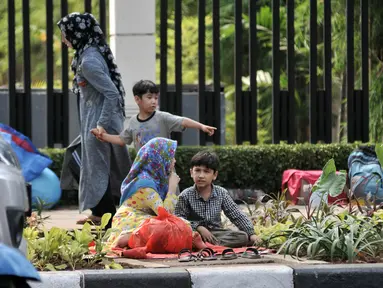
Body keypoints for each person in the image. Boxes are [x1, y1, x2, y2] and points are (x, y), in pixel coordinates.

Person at [57, 12, 131, 226]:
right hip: (95, 120)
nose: (63, 39)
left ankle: (106, 217)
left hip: (99, 124)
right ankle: (101, 213)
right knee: (86, 162)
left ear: (77, 33)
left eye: (65, 34)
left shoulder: (88, 60)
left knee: (90, 165)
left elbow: (112, 93)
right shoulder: (87, 52)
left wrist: (101, 125)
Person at [91, 80, 217, 152]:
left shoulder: (162, 117)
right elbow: (122, 139)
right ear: (137, 99)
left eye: (156, 98)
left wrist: (201, 126)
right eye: (149, 97)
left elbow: (183, 121)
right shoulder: (133, 122)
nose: (154, 101)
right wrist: (103, 136)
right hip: (143, 172)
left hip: (164, 169)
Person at [105, 137, 182, 249]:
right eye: (170, 157)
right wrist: (172, 189)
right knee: (167, 228)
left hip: (144, 219)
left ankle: (131, 240)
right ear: (159, 159)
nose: (174, 161)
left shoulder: (156, 179)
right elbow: (165, 214)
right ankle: (127, 238)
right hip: (129, 223)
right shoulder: (146, 184)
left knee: (179, 225)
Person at [175, 150, 260, 248]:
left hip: (216, 234)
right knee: (183, 236)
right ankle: (201, 244)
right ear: (191, 172)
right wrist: (198, 227)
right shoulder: (185, 195)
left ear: (214, 175)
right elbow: (179, 219)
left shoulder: (221, 193)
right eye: (197, 170)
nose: (201, 175)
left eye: (206, 171)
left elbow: (236, 214)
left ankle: (207, 245)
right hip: (193, 233)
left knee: (242, 237)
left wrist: (251, 233)